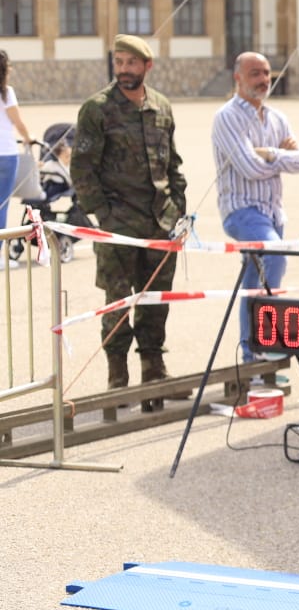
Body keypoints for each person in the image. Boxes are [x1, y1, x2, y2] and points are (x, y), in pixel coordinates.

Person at [73, 35, 188, 404]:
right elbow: (82, 170)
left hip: (160, 222)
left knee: (156, 301)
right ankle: (117, 378)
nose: (123, 70)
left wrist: (178, 212)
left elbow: (173, 165)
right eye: (119, 62)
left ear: (146, 66)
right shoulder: (97, 109)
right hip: (118, 225)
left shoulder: (162, 107)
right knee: (118, 302)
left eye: (130, 64)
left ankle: (153, 371)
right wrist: (104, 216)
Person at [212, 51, 299, 364]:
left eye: (266, 72)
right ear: (237, 77)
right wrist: (281, 157)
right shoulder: (227, 117)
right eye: (255, 73)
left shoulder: (278, 118)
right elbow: (247, 168)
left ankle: (252, 353)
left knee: (254, 281)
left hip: (273, 212)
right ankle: (264, 340)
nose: (263, 80)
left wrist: (268, 153)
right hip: (242, 211)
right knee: (275, 253)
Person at [0, 48, 34, 266]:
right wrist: (28, 138)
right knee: (2, 206)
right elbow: (17, 122)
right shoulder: (6, 92)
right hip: (6, 154)